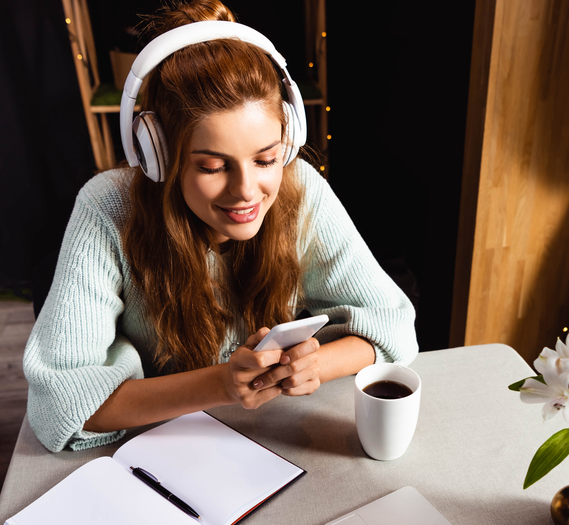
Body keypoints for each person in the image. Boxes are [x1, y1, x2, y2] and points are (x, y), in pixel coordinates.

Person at [23, 0, 417, 453]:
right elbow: (59, 401)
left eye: (266, 159)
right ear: (160, 157)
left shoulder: (300, 187)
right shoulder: (107, 208)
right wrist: (222, 385)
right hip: (153, 456)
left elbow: (396, 324)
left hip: (275, 447)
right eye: (213, 167)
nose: (248, 191)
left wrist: (317, 366)